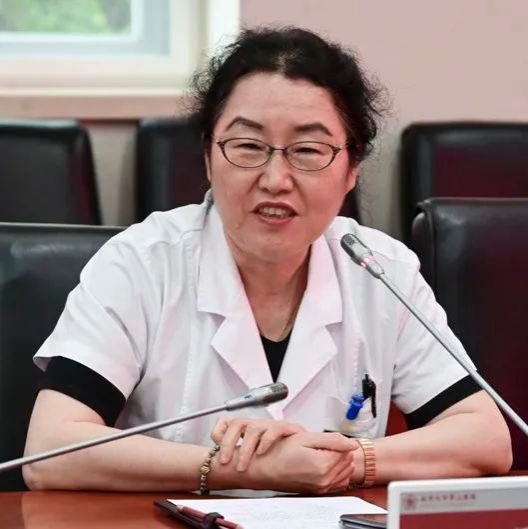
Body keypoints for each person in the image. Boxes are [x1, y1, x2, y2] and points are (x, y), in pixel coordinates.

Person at [23, 27, 512, 494]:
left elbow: (485, 438)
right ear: (209, 156)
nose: (276, 179)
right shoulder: (141, 264)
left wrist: (349, 459)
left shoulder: (379, 269)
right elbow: (49, 450)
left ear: (352, 169)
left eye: (308, 150)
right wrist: (243, 469)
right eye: (248, 146)